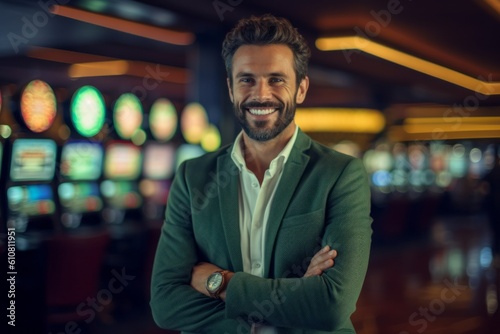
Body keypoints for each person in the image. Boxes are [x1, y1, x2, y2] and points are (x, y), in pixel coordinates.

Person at [150, 14, 372, 333]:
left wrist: (219, 282)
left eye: (276, 79)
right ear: (230, 88)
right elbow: (165, 304)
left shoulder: (341, 174)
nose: (261, 94)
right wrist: (292, 300)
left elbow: (331, 306)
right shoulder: (192, 177)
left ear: (301, 89)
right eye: (247, 79)